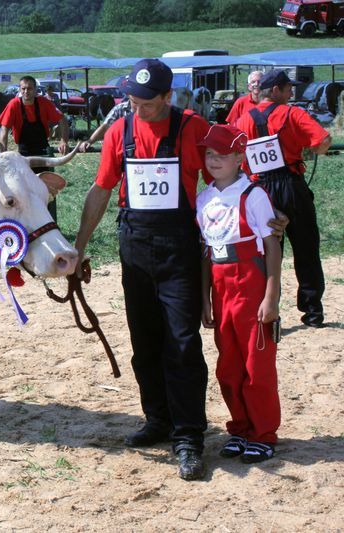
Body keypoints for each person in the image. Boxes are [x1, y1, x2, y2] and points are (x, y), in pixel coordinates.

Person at [74, 59, 212, 481]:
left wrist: (257, 213)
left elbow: (225, 174)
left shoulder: (192, 129)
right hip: (134, 245)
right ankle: (158, 419)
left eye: (147, 104)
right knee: (144, 340)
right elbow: (101, 189)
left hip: (178, 247)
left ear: (168, 98)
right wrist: (77, 248)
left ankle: (188, 434)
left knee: (183, 343)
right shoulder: (120, 131)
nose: (138, 110)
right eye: (132, 102)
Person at [196, 124, 281, 464]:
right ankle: (240, 428)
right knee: (228, 364)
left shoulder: (254, 195)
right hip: (220, 282)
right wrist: (205, 297)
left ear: (240, 157)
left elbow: (272, 247)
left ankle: (263, 433)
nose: (215, 160)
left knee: (256, 362)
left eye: (223, 155)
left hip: (250, 279)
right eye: (209, 154)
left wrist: (271, 295)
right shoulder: (204, 197)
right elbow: (205, 250)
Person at [233, 69, 331, 328]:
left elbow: (233, 155)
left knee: (266, 252)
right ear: (275, 90)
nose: (291, 93)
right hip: (291, 185)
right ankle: (312, 311)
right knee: (306, 247)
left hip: (260, 190)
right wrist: (307, 150)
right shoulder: (293, 114)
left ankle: (266, 308)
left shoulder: (243, 120)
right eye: (288, 88)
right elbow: (323, 141)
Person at [0, 76, 69, 220]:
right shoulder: (13, 104)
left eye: (29, 88)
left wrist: (63, 141)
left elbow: (62, 120)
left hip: (43, 152)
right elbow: (3, 131)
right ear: (19, 90)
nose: (26, 92)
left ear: (36, 90)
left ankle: (48, 221)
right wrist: (3, 154)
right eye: (23, 88)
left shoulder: (44, 103)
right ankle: (28, 221)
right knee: (24, 191)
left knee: (45, 190)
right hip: (23, 154)